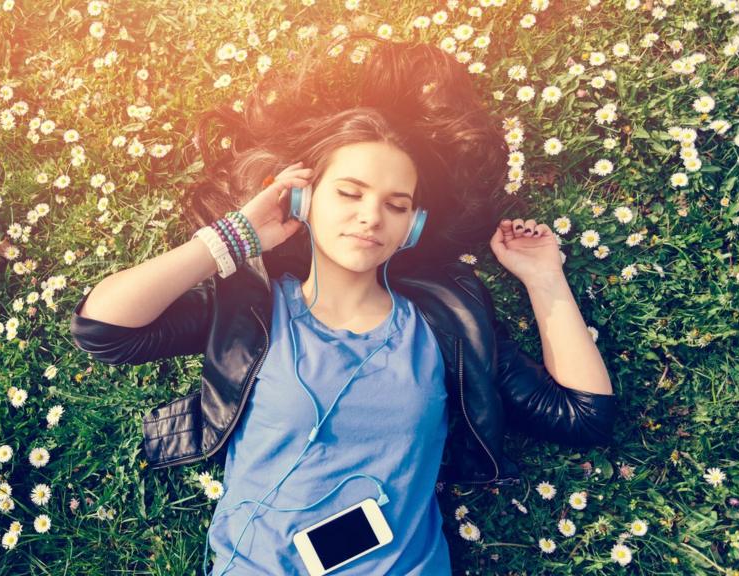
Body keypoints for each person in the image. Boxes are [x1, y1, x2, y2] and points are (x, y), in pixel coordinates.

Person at [69, 33, 616, 576]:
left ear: (413, 227)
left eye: (395, 205)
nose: (371, 217)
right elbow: (104, 330)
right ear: (304, 199)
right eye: (349, 193)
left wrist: (544, 279)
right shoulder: (252, 309)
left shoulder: (446, 325)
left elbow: (583, 415)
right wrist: (237, 237)